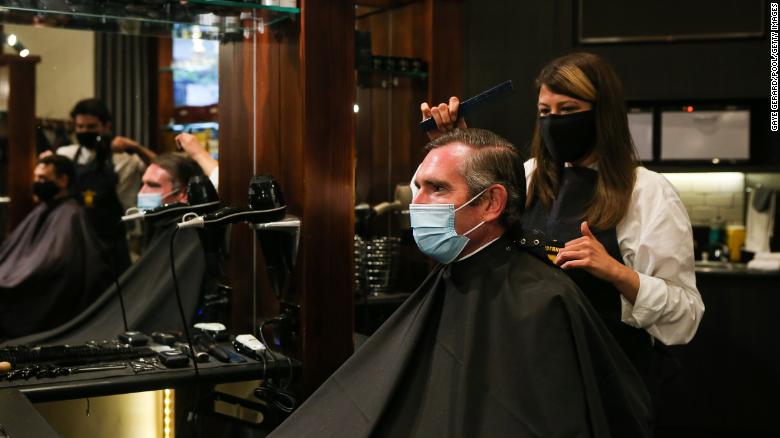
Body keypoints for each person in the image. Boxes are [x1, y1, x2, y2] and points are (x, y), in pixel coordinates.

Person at [270, 128, 652, 437]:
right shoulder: (454, 271)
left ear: (491, 203)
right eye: (417, 186)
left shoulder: (542, 300)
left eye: (437, 188)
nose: (416, 203)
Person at [421, 53, 704, 387]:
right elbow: (468, 235)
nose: (554, 122)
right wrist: (457, 147)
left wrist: (618, 273)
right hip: (524, 373)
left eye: (568, 110)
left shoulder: (648, 192)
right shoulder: (526, 176)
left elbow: (685, 316)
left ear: (602, 114)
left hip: (607, 379)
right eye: (545, 112)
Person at [0, 155, 112, 340]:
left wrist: (12, 276)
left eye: (43, 178)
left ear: (63, 180)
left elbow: (56, 262)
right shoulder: (44, 209)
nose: (37, 183)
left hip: (44, 284)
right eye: (36, 178)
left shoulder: (72, 215)